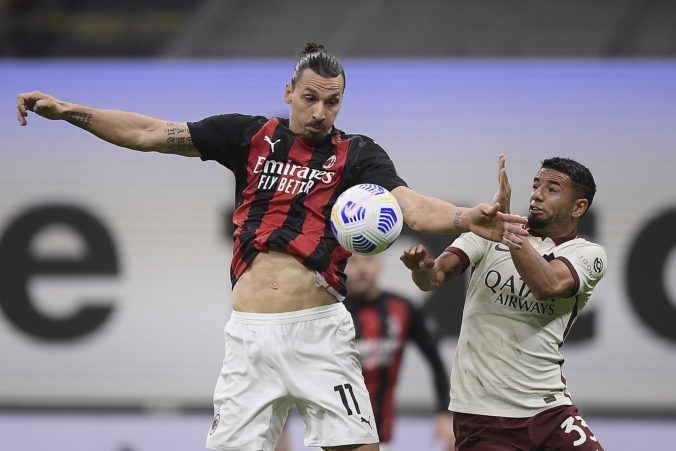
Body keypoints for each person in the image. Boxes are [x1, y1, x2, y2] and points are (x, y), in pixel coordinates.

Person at [16, 43, 528, 451]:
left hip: (320, 334)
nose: (320, 112)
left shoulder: (357, 154)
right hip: (249, 339)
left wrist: (464, 217)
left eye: (332, 102)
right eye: (310, 98)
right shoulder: (247, 135)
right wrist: (69, 111)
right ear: (288, 92)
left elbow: (410, 206)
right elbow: (150, 132)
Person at [401, 156, 608, 450]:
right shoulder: (487, 233)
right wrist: (421, 268)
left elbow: (547, 285)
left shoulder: (588, 254)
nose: (537, 195)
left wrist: (508, 232)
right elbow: (435, 278)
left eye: (551, 189)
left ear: (578, 207)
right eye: (536, 186)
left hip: (549, 410)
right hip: (483, 414)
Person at [343, 254, 455, 451]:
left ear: (380, 264)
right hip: (335, 436)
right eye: (353, 261)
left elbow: (435, 361)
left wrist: (443, 413)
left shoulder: (401, 308)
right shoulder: (331, 312)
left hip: (382, 437)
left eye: (368, 260)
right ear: (341, 266)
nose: (361, 269)